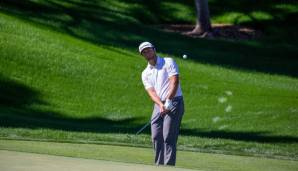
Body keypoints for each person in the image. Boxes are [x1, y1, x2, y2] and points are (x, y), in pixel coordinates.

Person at [139, 41, 184, 166]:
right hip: (159, 104)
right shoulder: (145, 73)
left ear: (154, 49)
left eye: (148, 49)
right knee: (156, 136)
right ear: (142, 55)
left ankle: (168, 166)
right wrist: (160, 104)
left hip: (174, 101)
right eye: (144, 52)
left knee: (168, 136)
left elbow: (174, 81)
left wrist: (169, 100)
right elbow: (151, 92)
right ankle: (159, 166)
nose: (147, 52)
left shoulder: (168, 62)